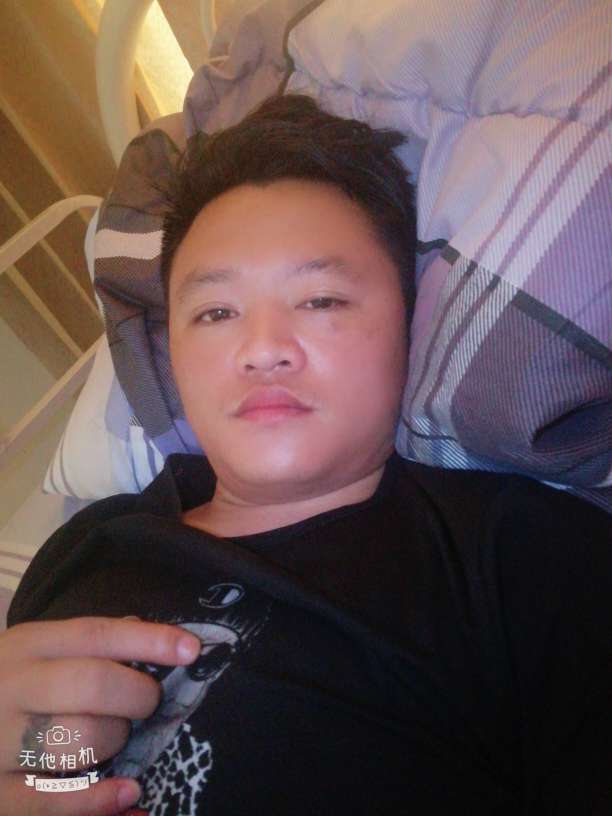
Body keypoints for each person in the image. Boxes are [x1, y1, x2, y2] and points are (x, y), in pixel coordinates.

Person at [2, 93, 611, 816]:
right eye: (216, 312)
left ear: (408, 326)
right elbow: (47, 770)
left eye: (321, 300)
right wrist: (33, 771)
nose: (262, 350)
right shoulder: (89, 546)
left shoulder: (524, 560)